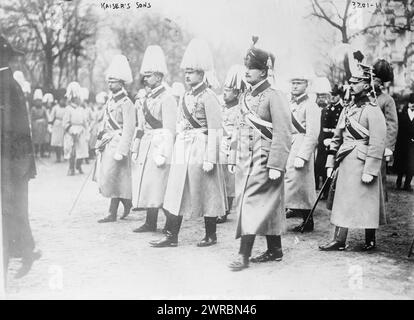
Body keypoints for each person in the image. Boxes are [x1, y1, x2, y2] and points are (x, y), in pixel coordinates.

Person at [150, 38, 226, 248]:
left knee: (208, 190)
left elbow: (216, 130)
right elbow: (178, 124)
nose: (187, 75)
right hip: (184, 147)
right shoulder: (184, 95)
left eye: (191, 71)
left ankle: (211, 234)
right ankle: (171, 235)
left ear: (202, 73)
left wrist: (211, 157)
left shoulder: (209, 96)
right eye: (186, 71)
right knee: (176, 191)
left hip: (201, 147)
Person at [227, 38, 292, 271]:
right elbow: (237, 131)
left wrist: (276, 164)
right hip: (246, 162)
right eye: (245, 67)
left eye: (251, 68)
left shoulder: (275, 96)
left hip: (265, 162)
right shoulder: (245, 97)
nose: (246, 72)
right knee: (267, 206)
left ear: (264, 71)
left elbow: (284, 133)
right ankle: (275, 250)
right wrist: (233, 158)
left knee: (251, 205)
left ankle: (243, 255)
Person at [319, 63, 386, 252]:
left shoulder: (373, 110)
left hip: (364, 162)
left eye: (355, 82)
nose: (351, 86)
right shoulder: (347, 109)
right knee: (343, 201)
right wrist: (330, 161)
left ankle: (370, 240)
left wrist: (371, 170)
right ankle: (339, 240)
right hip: (346, 161)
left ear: (366, 85)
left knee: (368, 201)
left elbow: (377, 141)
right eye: (351, 82)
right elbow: (337, 137)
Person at [1, 35, 40, 279]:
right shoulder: (9, 81)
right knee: (13, 208)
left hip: (10, 160)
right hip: (15, 159)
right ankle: (24, 250)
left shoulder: (5, 83)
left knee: (10, 209)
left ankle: (23, 252)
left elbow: (11, 129)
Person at [131, 45, 177, 233]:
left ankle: (170, 225)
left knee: (161, 186)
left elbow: (169, 129)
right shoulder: (146, 98)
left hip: (160, 146)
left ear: (159, 76)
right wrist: (135, 146)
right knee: (149, 184)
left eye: (149, 75)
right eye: (146, 75)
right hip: (146, 145)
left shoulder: (167, 99)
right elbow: (140, 127)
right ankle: (150, 222)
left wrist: (163, 153)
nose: (146, 79)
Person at [95, 54, 135, 223]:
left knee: (116, 177)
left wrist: (122, 150)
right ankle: (126, 202)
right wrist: (101, 135)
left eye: (113, 81)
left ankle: (113, 212)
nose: (110, 84)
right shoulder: (110, 101)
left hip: (118, 144)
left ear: (121, 82)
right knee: (108, 177)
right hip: (108, 142)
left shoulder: (127, 103)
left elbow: (129, 128)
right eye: (109, 81)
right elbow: (104, 120)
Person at [284, 69, 321, 232]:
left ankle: (308, 219)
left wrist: (303, 155)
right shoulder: (289, 103)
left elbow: (312, 134)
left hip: (301, 145)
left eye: (299, 83)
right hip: (288, 144)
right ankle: (292, 212)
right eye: (293, 83)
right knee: (289, 182)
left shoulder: (311, 106)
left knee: (302, 185)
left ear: (307, 85)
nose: (295, 86)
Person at [217, 64, 247, 224]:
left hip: (231, 146)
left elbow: (237, 131)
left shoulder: (239, 109)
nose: (225, 92)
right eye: (224, 89)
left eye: (228, 90)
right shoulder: (220, 106)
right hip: (219, 144)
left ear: (236, 92)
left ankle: (226, 209)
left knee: (229, 181)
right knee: (219, 178)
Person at [372, 59, 398, 200]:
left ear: (381, 83)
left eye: (376, 80)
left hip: (379, 146)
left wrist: (389, 147)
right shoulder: (364, 98)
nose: (372, 82)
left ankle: (378, 211)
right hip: (364, 144)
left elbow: (392, 125)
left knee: (378, 178)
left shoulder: (387, 100)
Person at [314, 83, 344, 198]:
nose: (333, 97)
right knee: (321, 166)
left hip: (334, 140)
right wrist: (321, 140)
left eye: (335, 95)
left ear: (339, 97)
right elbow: (321, 127)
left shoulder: (341, 110)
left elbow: (339, 129)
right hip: (323, 140)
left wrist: (332, 140)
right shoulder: (325, 110)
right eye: (331, 95)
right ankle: (323, 190)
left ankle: (329, 191)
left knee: (332, 166)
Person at [62, 82, 89, 176]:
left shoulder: (81, 109)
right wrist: (71, 131)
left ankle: (79, 165)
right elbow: (65, 123)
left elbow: (85, 122)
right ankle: (71, 167)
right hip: (71, 133)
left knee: (82, 151)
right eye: (77, 98)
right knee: (72, 152)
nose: (79, 100)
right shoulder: (68, 109)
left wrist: (86, 131)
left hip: (81, 132)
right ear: (73, 98)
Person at [393, 93, 414, 191]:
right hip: (402, 143)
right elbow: (397, 129)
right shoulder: (401, 114)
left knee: (411, 165)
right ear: (408, 103)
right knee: (401, 164)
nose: (413, 104)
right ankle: (398, 182)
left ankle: (407, 184)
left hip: (413, 145)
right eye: (411, 103)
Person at [30, 89, 48, 158]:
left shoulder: (43, 108)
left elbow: (46, 117)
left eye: (40, 101)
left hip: (42, 126)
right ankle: (36, 152)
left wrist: (45, 124)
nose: (39, 102)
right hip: (36, 126)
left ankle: (42, 153)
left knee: (43, 140)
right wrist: (33, 125)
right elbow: (31, 118)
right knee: (36, 141)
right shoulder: (33, 109)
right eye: (37, 101)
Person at [49, 93, 66, 162]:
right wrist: (50, 125)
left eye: (64, 100)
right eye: (61, 100)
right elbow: (51, 116)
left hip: (64, 125)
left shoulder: (67, 108)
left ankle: (65, 156)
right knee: (56, 142)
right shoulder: (55, 108)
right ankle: (58, 157)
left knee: (64, 142)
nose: (62, 101)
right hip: (56, 125)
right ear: (59, 101)